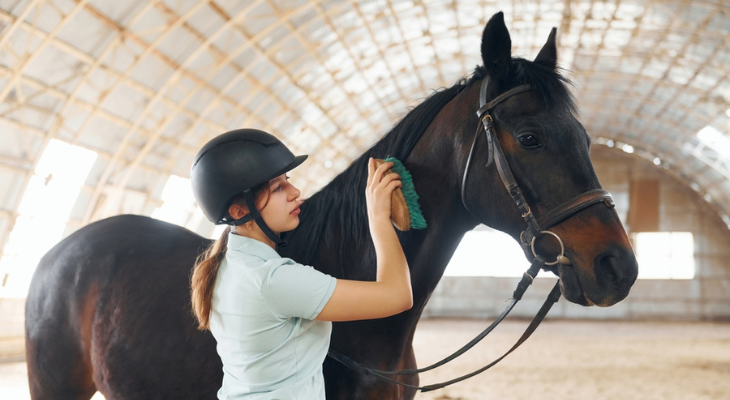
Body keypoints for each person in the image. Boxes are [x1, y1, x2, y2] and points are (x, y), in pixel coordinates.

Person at [189, 128, 413, 400]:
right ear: (240, 211)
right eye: (278, 188)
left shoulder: (226, 266)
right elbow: (397, 295)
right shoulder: (274, 280)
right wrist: (378, 218)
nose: (295, 192)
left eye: (288, 180)